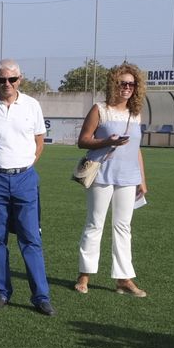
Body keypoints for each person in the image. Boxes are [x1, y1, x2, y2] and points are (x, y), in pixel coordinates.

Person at [0, 59, 53, 316]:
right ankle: (2, 291)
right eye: (1, 79)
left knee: (31, 238)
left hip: (25, 179)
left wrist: (24, 165)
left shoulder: (32, 106)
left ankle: (41, 296)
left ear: (20, 79)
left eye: (12, 79)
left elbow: (39, 142)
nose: (7, 84)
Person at [74, 62, 149, 297]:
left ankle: (123, 279)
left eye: (131, 84)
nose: (127, 88)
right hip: (102, 175)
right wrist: (108, 142)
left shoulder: (135, 114)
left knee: (123, 227)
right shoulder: (100, 109)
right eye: (122, 83)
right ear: (113, 84)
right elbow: (83, 140)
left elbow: (136, 149)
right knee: (95, 224)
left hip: (128, 177)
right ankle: (84, 276)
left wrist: (142, 179)